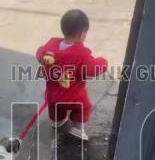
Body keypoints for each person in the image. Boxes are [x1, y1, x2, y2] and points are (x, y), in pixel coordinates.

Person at [35, 9, 109, 141]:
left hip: (53, 94)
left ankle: (57, 121)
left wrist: (43, 55)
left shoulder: (51, 44)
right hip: (73, 97)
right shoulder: (81, 53)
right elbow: (90, 69)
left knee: (55, 108)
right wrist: (103, 62)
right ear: (82, 34)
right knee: (83, 107)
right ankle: (77, 128)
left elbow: (40, 52)